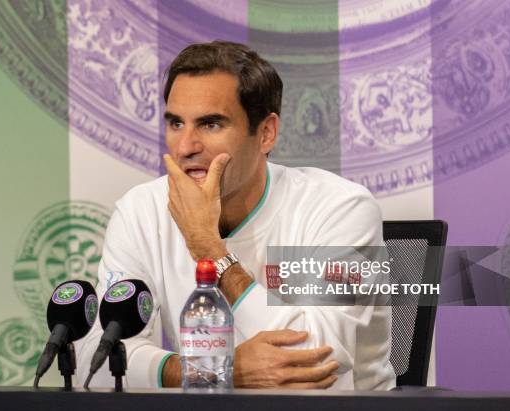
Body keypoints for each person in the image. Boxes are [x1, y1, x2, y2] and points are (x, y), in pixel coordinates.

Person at [75, 40, 396, 390]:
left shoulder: (336, 208)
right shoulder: (141, 211)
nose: (186, 147)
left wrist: (210, 249)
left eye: (210, 125)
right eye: (176, 123)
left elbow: (312, 358)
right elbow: (97, 358)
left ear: (266, 133)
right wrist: (214, 370)